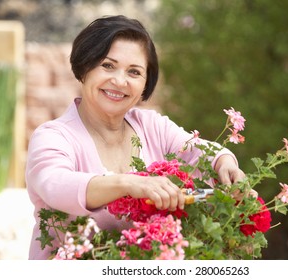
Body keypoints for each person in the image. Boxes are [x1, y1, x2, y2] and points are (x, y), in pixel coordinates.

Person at [25, 15, 246, 260]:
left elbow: (198, 150)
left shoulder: (151, 125)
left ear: (145, 83)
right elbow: (55, 185)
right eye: (107, 65)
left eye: (134, 72)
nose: (120, 81)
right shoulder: (53, 136)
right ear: (84, 67)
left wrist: (224, 163)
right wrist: (130, 183)